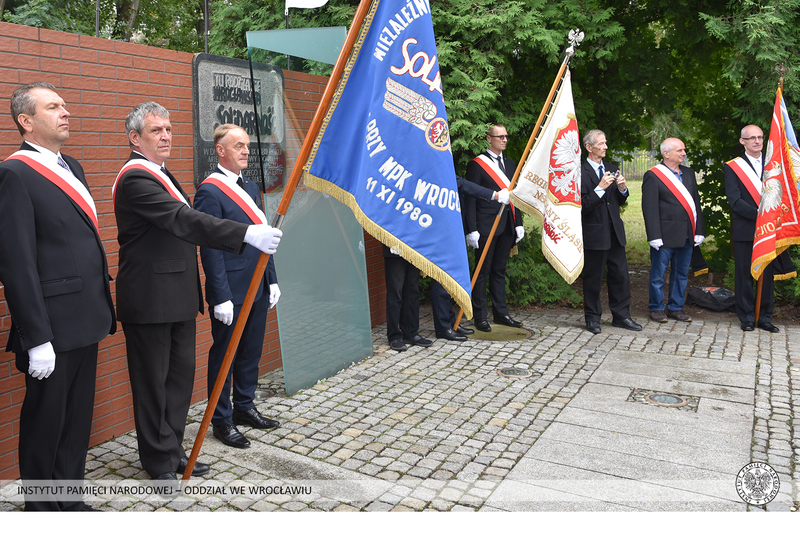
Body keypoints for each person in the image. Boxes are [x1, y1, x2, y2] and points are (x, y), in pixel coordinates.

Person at [113, 102, 282, 482]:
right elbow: (182, 220)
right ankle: (158, 463)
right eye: (156, 130)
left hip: (176, 297)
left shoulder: (162, 174)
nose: (166, 135)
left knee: (177, 383)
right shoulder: (136, 178)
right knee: (153, 387)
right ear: (134, 137)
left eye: (169, 128)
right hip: (150, 299)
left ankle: (172, 453)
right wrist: (243, 234)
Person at [0, 82, 116, 511]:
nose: (65, 111)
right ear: (26, 121)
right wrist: (37, 336)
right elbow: (16, 263)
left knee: (76, 419)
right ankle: (41, 509)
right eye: (53, 106)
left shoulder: (73, 166)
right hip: (51, 325)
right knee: (46, 421)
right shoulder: (14, 173)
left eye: (65, 105)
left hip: (86, 316)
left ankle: (69, 498)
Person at [194, 124, 281, 449]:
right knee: (225, 356)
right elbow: (210, 246)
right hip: (230, 291)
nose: (245, 150)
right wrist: (220, 296)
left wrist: (272, 279)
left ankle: (245, 407)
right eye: (238, 146)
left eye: (247, 145)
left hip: (257, 286)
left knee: (250, 354)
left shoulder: (253, 188)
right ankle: (222, 419)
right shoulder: (210, 191)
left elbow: (265, 238)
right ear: (221, 150)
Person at [431, 176, 511, 341]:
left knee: (449, 279)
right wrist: (494, 195)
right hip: (439, 228)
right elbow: (464, 184)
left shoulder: (443, 159)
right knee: (441, 279)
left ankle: (451, 321)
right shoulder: (436, 164)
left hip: (451, 228)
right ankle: (443, 326)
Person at [580, 130, 642, 334]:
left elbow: (619, 201)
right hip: (594, 233)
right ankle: (592, 318)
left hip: (615, 232)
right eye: (601, 143)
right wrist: (599, 188)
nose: (605, 147)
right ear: (589, 148)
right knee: (593, 278)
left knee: (620, 276)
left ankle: (622, 316)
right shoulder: (579, 172)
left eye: (606, 143)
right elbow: (582, 206)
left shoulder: (611, 168)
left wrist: (623, 189)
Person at [464, 124, 525, 332]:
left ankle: (501, 313)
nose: (504, 140)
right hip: (485, 226)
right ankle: (480, 316)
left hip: (507, 224)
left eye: (506, 136)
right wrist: (471, 229)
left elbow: (515, 196)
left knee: (499, 271)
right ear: (489, 139)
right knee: (482, 271)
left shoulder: (509, 163)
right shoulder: (477, 164)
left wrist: (519, 223)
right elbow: (469, 198)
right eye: (500, 136)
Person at [723, 125, 780, 332]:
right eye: (752, 138)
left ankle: (764, 317)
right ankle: (747, 317)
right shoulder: (733, 167)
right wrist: (760, 216)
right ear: (742, 141)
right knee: (744, 274)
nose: (757, 141)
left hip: (770, 229)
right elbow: (735, 201)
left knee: (767, 274)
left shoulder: (774, 164)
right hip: (746, 228)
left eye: (760, 137)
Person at [642, 138, 705, 323]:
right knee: (658, 275)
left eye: (684, 150)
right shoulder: (653, 175)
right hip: (664, 235)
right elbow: (649, 208)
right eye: (679, 150)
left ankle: (676, 308)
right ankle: (656, 308)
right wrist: (654, 235)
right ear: (666, 153)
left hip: (687, 233)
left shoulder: (689, 173)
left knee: (682, 274)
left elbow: (696, 203)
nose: (684, 153)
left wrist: (699, 229)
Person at [383, 245, 433, 351]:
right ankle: (394, 336)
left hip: (412, 247)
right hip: (394, 246)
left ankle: (410, 332)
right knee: (395, 293)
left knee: (412, 291)